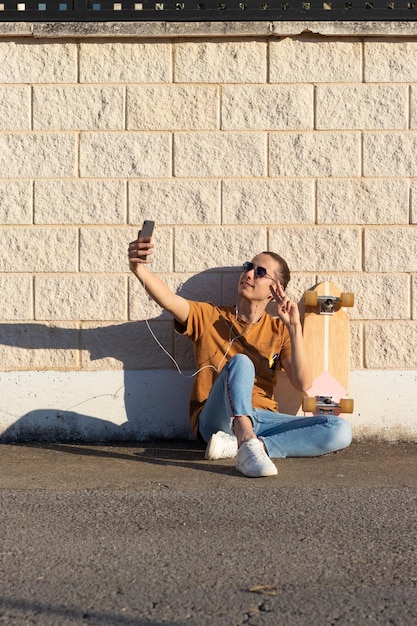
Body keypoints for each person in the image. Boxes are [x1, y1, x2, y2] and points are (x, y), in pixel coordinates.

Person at [128, 228, 352, 478]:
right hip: (216, 421)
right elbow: (170, 300)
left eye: (259, 272)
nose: (248, 273)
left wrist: (294, 326)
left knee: (339, 429)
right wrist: (139, 269)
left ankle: (251, 447)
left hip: (261, 419)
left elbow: (303, 383)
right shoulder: (210, 316)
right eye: (248, 266)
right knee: (241, 363)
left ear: (275, 289)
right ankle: (246, 442)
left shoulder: (279, 330)